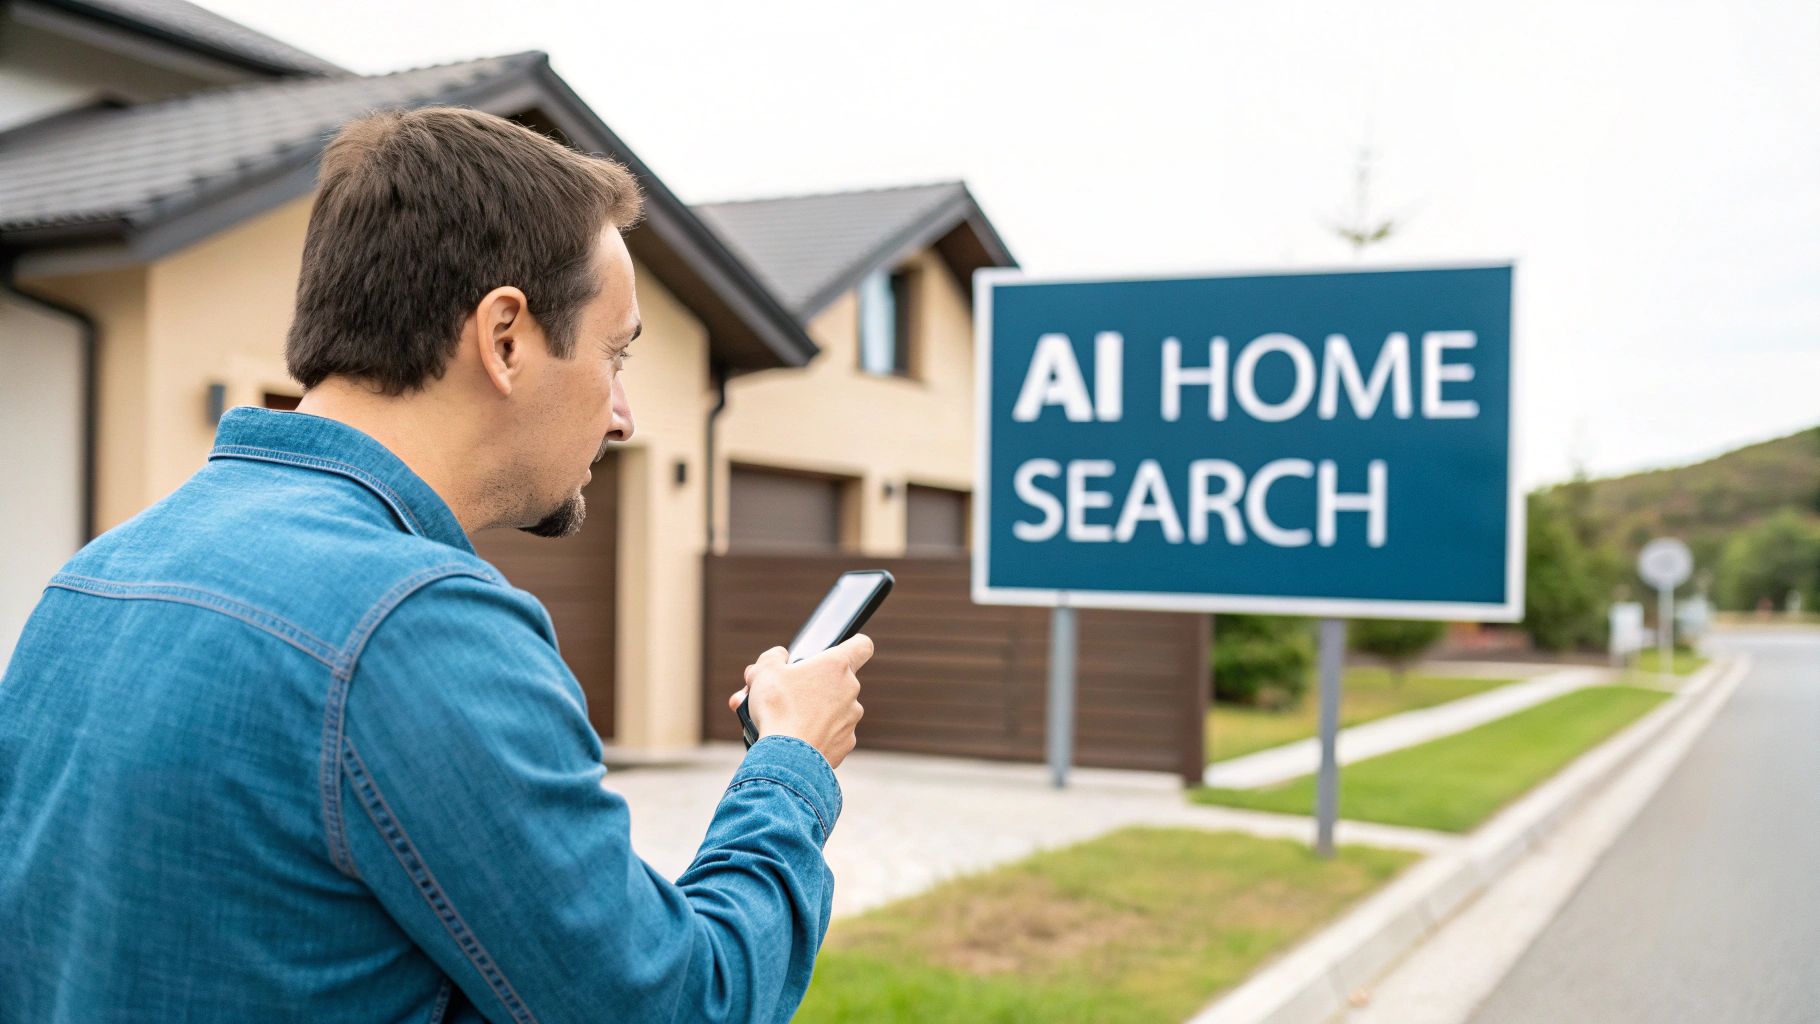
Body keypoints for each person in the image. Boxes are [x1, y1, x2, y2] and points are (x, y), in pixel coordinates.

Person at [0, 106, 869, 1023]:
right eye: (614, 355)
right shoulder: (416, 627)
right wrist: (791, 765)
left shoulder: (90, 580)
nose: (622, 416)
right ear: (504, 339)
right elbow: (682, 1004)